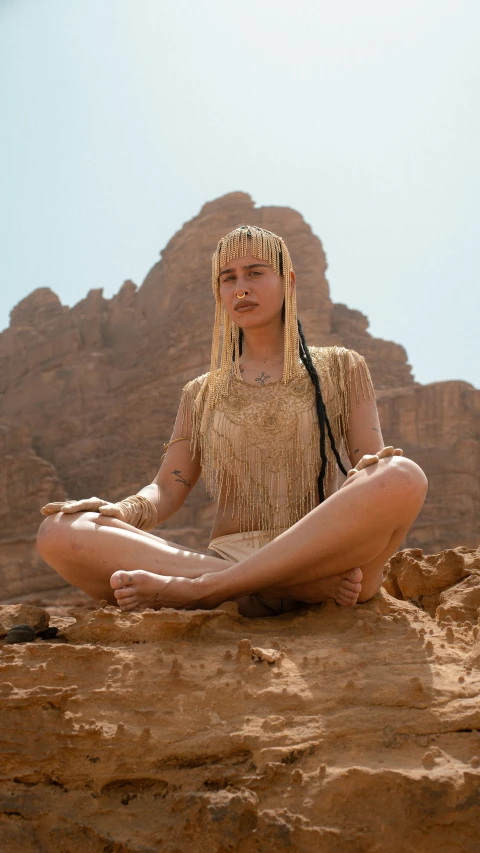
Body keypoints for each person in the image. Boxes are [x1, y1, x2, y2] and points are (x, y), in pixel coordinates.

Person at [37, 225, 427, 617]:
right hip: (254, 561)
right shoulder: (200, 393)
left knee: (402, 474)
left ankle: (208, 589)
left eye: (255, 273)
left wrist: (374, 475)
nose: (241, 288)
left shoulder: (343, 366)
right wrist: (123, 511)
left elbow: (370, 463)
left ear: (287, 281)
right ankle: (282, 586)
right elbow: (167, 489)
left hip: (320, 554)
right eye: (229, 279)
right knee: (58, 532)